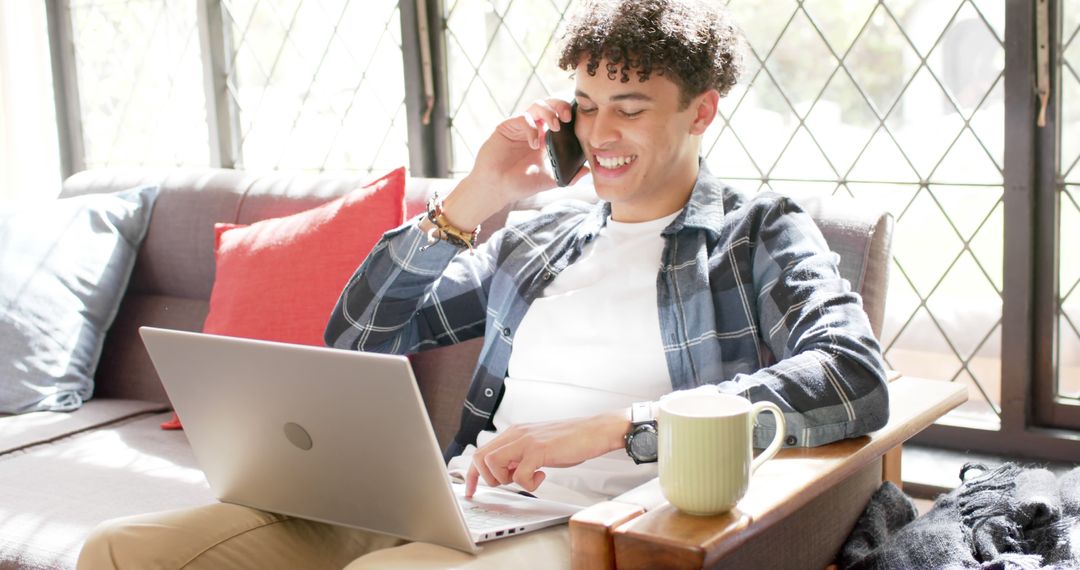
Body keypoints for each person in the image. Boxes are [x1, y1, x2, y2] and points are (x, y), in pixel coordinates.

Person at [77, 0, 889, 568]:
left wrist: (614, 428)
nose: (600, 134)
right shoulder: (540, 234)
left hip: (603, 523)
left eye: (631, 109)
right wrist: (474, 196)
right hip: (453, 503)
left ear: (701, 111)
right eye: (585, 104)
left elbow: (853, 378)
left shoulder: (757, 231)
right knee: (118, 549)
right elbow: (360, 338)